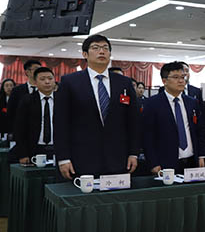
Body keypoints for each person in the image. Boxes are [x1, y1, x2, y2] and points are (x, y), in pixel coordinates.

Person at [54, 35, 140, 179]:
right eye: (96, 48)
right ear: (85, 54)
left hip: (119, 158)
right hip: (81, 158)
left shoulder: (124, 82)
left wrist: (133, 153)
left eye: (105, 48)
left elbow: (133, 121)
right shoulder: (70, 82)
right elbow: (61, 123)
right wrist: (63, 158)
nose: (102, 51)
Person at [143, 62, 205, 174]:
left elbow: (199, 130)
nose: (181, 81)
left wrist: (201, 155)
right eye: (176, 77)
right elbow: (147, 136)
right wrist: (153, 163)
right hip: (165, 162)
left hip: (192, 160)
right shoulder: (152, 104)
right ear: (164, 81)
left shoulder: (192, 102)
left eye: (183, 77)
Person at [14, 67, 56, 162]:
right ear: (35, 82)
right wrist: (23, 154)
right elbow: (20, 129)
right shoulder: (27, 100)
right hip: (34, 148)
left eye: (50, 78)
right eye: (42, 79)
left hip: (57, 148)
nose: (47, 82)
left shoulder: (62, 99)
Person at [6, 59, 42, 134]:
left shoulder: (44, 89)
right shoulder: (17, 90)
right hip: (21, 131)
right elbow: (11, 112)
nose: (39, 71)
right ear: (27, 72)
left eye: (40, 69)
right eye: (36, 69)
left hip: (41, 131)